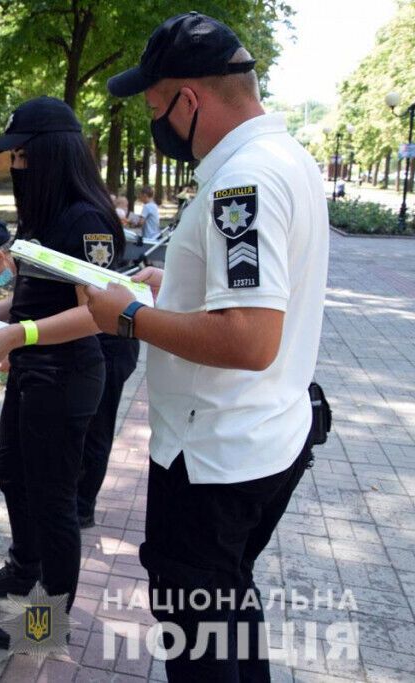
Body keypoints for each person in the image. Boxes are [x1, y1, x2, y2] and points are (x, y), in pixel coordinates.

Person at [87, 12, 328, 681]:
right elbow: (258, 298)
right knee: (228, 603)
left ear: (189, 100)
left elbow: (250, 338)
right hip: (265, 435)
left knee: (200, 632)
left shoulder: (241, 183)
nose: (157, 124)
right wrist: (179, 285)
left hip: (215, 458)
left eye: (158, 107)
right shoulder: (287, 159)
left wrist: (130, 316)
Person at [0, 96, 125, 649]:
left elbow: (96, 313)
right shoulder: (42, 216)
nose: (13, 167)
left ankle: (47, 623)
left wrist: (16, 335)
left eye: (20, 157)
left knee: (54, 501)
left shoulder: (86, 220)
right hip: (31, 373)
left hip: (66, 376)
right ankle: (23, 567)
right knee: (12, 473)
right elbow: (30, 298)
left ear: (48, 155)